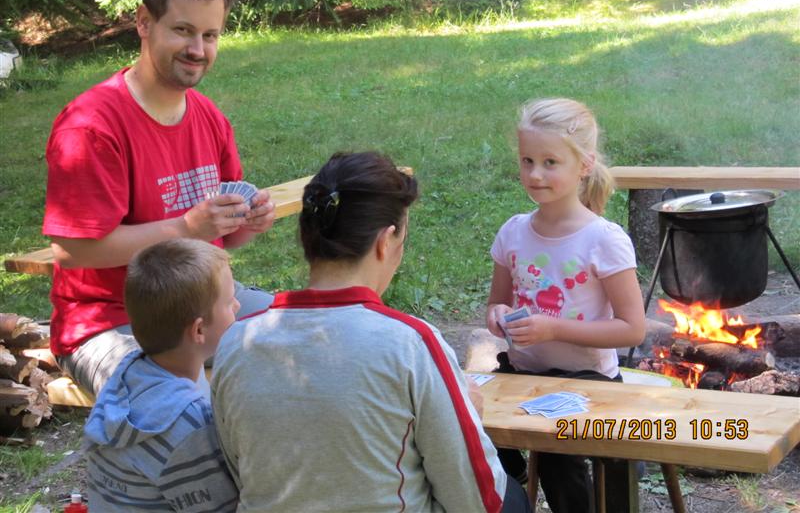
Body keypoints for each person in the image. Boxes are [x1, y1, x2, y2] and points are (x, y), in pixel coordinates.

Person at [211, 152, 531, 513]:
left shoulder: (236, 342)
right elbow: (477, 500)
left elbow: (238, 470)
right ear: (385, 241)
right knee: (512, 499)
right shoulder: (411, 343)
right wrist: (466, 417)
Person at [42, 0, 275, 396]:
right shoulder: (92, 126)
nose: (197, 50)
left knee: (308, 342)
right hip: (112, 322)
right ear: (144, 22)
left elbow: (225, 237)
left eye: (210, 35)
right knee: (179, 408)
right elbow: (72, 251)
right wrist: (186, 227)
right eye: (183, 30)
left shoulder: (208, 117)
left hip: (206, 307)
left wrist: (249, 221)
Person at [486, 98, 646, 513]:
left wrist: (553, 328)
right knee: (470, 421)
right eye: (527, 161)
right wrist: (498, 317)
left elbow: (632, 329)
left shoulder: (603, 240)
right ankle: (511, 480)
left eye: (550, 162)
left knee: (558, 457)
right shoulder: (513, 232)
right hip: (521, 374)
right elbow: (496, 305)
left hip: (586, 379)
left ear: (584, 165)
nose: (535, 174)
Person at [84, 238, 239, 511]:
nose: (237, 305)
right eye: (229, 302)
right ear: (199, 330)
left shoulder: (127, 373)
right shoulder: (188, 423)